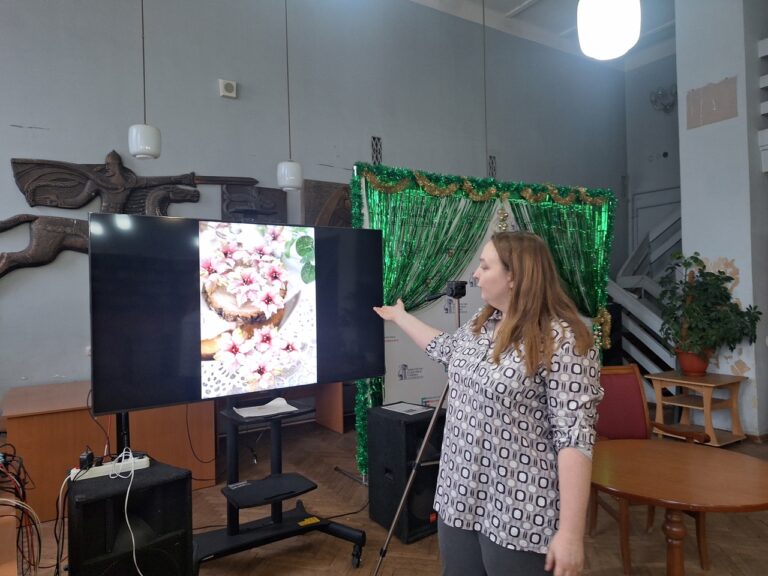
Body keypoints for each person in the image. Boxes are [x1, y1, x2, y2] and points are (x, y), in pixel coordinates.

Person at [373, 231, 603, 576]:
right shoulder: (482, 322)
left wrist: (570, 533)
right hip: (459, 494)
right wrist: (400, 317)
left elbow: (574, 439)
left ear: (514, 276)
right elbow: (445, 349)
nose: (475, 274)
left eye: (484, 266)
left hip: (519, 507)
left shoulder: (564, 340)